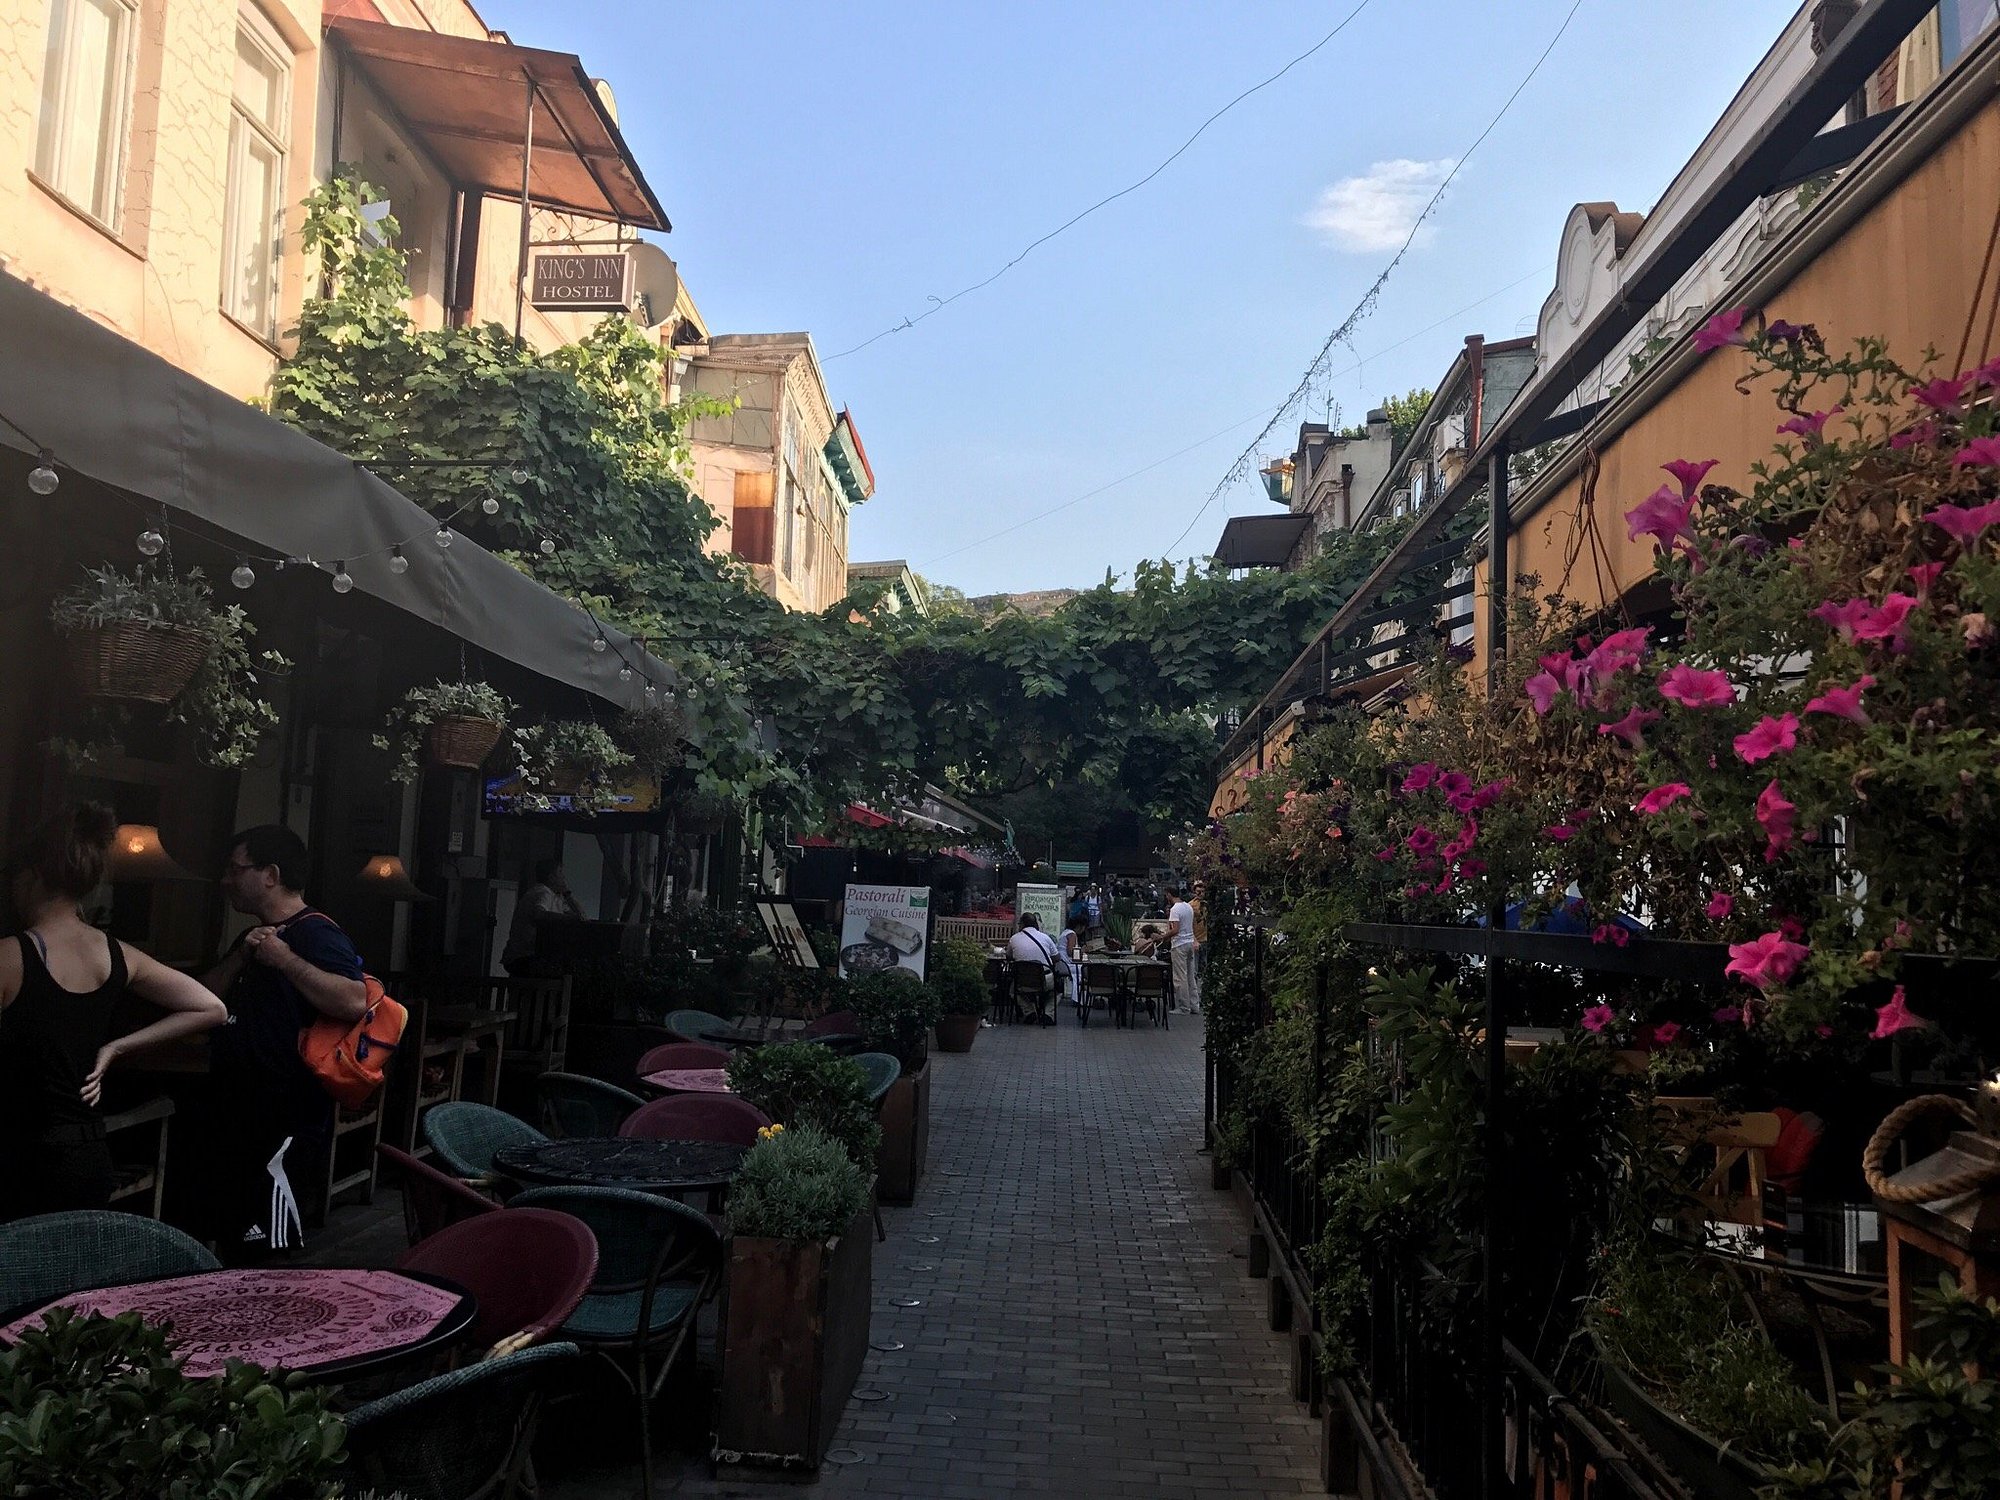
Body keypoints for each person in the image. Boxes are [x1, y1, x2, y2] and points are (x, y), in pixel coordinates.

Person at [0, 803, 227, 1219]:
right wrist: (116, 1049)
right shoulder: (118, 954)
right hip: (88, 1157)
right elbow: (209, 1006)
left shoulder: (10, 957)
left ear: (29, 877)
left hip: (21, 1160)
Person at [201, 825, 367, 1260]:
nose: (225, 879)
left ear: (270, 874)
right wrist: (241, 957)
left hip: (285, 1113)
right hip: (237, 1107)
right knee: (230, 1236)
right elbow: (205, 997)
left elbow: (353, 1000)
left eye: (235, 870)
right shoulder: (250, 937)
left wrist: (285, 959)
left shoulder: (316, 933)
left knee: (265, 1249)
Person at [502, 857, 584, 976]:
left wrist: (567, 894)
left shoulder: (555, 897)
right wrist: (568, 919)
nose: (564, 877)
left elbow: (581, 916)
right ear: (551, 878)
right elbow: (539, 914)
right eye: (560, 873)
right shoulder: (543, 892)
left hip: (527, 956)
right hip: (527, 956)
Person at [1007, 913, 1062, 1025]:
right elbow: (1057, 958)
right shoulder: (1045, 938)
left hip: (1021, 981)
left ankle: (1029, 1011)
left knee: (1013, 990)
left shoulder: (1014, 939)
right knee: (1058, 990)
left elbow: (1009, 956)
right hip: (1044, 981)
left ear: (1022, 924)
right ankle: (1048, 1014)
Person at [1166, 885, 1201, 1014]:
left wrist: (1163, 936)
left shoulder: (1175, 910)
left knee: (1180, 976)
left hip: (1179, 944)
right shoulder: (1188, 907)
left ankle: (1183, 1006)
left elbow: (1175, 929)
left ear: (1169, 895)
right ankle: (1194, 1004)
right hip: (1189, 942)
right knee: (1191, 975)